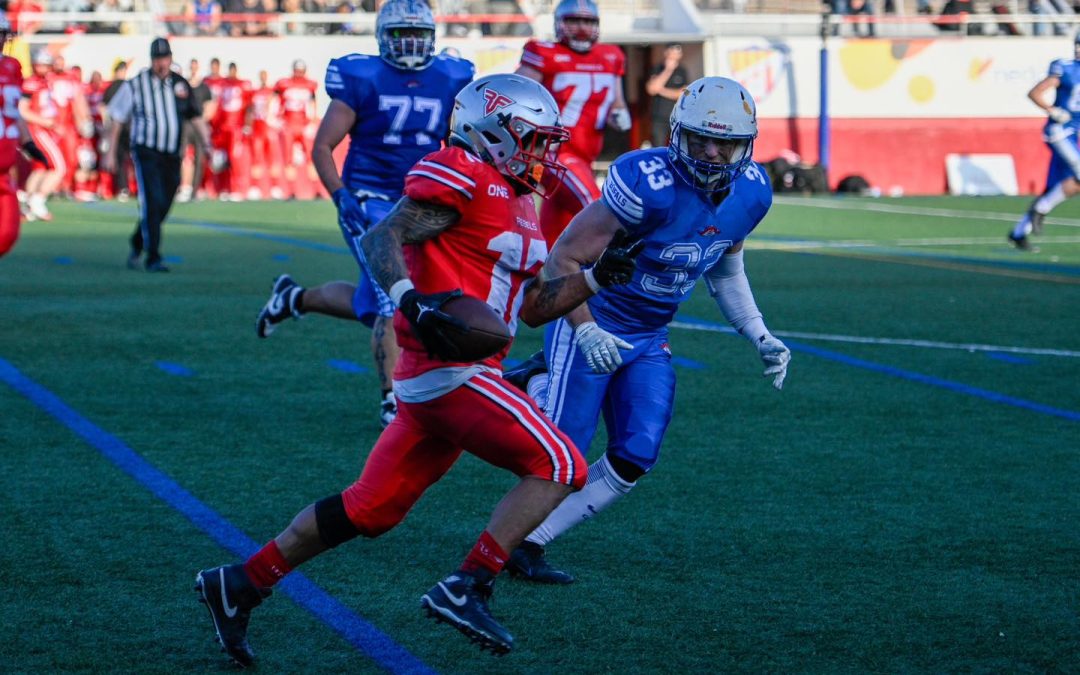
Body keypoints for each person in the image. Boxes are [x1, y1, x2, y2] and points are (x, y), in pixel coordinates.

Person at [194, 72, 643, 665]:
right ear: (492, 132)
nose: (543, 153)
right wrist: (409, 298)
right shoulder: (462, 170)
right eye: (532, 139)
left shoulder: (521, 200)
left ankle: (240, 583)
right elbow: (386, 235)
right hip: (452, 367)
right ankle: (470, 583)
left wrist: (591, 278)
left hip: (445, 376)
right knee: (560, 464)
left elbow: (529, 309)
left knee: (370, 509)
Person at [502, 77, 792, 584]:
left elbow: (725, 267)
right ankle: (537, 382)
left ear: (746, 144)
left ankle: (530, 543)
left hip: (650, 334)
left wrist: (758, 331)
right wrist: (586, 330)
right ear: (677, 133)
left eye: (724, 141)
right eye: (700, 138)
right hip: (593, 320)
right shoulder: (648, 184)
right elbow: (562, 260)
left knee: (636, 454)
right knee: (560, 456)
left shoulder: (751, 193)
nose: (710, 152)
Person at [255, 0, 474, 428]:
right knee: (390, 300)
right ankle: (392, 400)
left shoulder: (451, 76)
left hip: (419, 202)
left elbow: (461, 141)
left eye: (418, 34)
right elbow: (322, 146)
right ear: (381, 37)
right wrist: (341, 196)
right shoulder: (362, 76)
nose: (410, 43)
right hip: (369, 197)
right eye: (399, 34)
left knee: (373, 301)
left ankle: (292, 298)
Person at [516, 0, 631, 245]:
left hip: (585, 155)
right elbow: (517, 97)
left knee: (556, 232)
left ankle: (546, 276)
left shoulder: (612, 55)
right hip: (553, 153)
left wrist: (618, 114)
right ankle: (614, 275)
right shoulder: (543, 52)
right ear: (559, 23)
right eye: (574, 20)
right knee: (598, 208)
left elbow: (617, 102)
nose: (581, 27)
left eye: (588, 21)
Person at [102, 37, 211, 272]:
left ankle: (138, 241)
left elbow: (195, 115)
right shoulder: (136, 84)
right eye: (157, 59)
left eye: (164, 58)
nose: (161, 63)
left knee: (164, 203)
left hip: (172, 153)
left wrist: (207, 143)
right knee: (151, 201)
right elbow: (117, 118)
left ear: (170, 58)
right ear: (151, 60)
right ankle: (153, 257)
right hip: (146, 151)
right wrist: (110, 152)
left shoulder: (180, 85)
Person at [1008, 33, 1080, 252]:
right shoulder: (1065, 68)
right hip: (1058, 131)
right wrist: (1052, 110)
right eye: (1077, 44)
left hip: (1073, 135)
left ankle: (1019, 233)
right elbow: (1035, 92)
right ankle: (1041, 208)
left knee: (1070, 185)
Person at [0, 16, 49, 257]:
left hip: (4, 169)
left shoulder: (12, 67)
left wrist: (27, 142)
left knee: (7, 235)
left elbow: (15, 111)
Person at [19, 50, 65, 222]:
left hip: (43, 128)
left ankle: (27, 206)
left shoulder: (45, 82)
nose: (42, 68)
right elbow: (22, 111)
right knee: (59, 167)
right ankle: (37, 201)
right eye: (40, 64)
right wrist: (46, 122)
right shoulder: (31, 83)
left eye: (45, 64)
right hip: (37, 128)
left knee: (40, 168)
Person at [176, 58, 212, 203]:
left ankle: (194, 190)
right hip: (185, 124)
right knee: (180, 156)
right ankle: (182, 187)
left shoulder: (204, 87)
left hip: (198, 124)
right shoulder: (183, 86)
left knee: (199, 158)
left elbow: (209, 106)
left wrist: (203, 123)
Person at [644, 42, 688, 149]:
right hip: (658, 117)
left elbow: (682, 94)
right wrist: (668, 70)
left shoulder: (682, 71)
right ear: (666, 53)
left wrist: (661, 90)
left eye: (677, 52)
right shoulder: (657, 68)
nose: (674, 55)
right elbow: (652, 89)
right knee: (657, 146)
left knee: (678, 146)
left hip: (677, 117)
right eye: (672, 52)